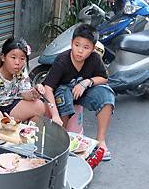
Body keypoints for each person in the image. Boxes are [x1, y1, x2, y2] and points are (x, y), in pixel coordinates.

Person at [41, 24, 115, 161]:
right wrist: (55, 115)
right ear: (71, 43)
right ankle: (61, 141)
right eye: (77, 45)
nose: (80, 51)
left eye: (86, 47)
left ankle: (101, 141)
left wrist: (86, 82)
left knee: (106, 95)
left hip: (83, 93)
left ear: (93, 49)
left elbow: (104, 78)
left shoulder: (94, 58)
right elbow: (48, 88)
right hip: (62, 97)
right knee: (63, 92)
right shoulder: (62, 60)